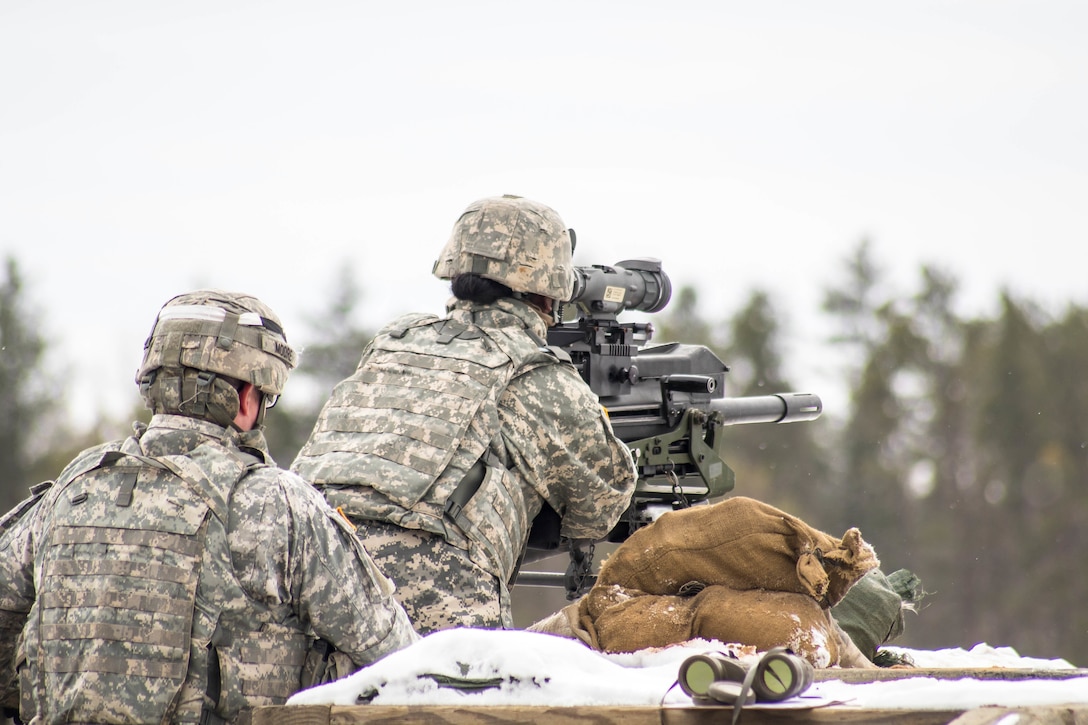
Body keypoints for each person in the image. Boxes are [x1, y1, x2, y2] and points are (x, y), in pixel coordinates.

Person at [0, 290, 417, 725]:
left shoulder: (70, 487)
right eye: (265, 399)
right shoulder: (277, 503)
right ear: (243, 396)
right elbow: (396, 654)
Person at [292, 194, 638, 634]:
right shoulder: (537, 374)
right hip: (426, 603)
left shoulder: (393, 339)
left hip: (308, 560)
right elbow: (602, 503)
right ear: (551, 289)